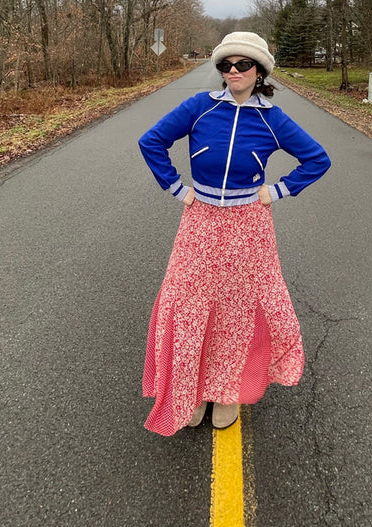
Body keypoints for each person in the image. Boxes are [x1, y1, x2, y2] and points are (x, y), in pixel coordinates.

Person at [138, 31, 331, 436]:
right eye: (226, 64)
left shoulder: (272, 119)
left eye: (243, 64)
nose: (233, 71)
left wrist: (278, 190)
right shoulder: (200, 108)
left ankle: (226, 392)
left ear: (259, 70)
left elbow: (317, 159)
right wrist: (176, 187)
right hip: (201, 220)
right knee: (189, 302)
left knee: (237, 310)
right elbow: (151, 141)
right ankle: (190, 391)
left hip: (250, 225)